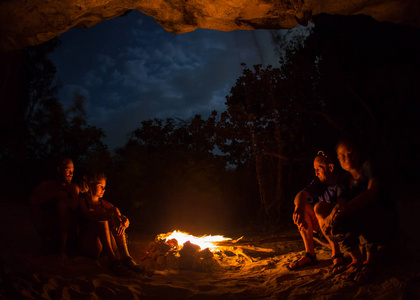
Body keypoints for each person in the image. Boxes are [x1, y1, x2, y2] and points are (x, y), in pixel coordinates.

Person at [325, 138, 398, 282]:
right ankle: (356, 259)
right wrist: (332, 216)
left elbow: (372, 193)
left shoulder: (368, 167)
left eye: (350, 154)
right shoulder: (344, 181)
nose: (347, 158)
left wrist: (343, 209)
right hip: (362, 222)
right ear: (339, 159)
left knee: (366, 207)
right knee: (337, 220)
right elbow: (341, 204)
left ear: (357, 153)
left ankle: (371, 260)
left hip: (384, 220)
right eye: (342, 156)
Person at [288, 151, 346, 273]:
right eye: (315, 170)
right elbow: (301, 195)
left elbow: (342, 206)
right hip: (323, 231)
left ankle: (337, 254)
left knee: (320, 207)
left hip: (341, 231)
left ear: (330, 167)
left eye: (318, 169)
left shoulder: (342, 181)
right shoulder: (319, 182)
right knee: (302, 205)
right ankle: (310, 254)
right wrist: (299, 209)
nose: (316, 173)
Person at [78, 172, 144, 275]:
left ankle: (125, 257)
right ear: (91, 185)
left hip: (108, 245)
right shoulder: (82, 201)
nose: (103, 190)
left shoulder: (105, 203)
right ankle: (112, 260)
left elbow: (118, 216)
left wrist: (124, 222)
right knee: (102, 213)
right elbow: (89, 215)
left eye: (104, 187)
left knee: (114, 210)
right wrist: (111, 217)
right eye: (101, 186)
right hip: (91, 246)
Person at [30, 157, 80, 260]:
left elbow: (74, 207)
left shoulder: (72, 188)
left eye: (73, 171)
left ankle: (63, 249)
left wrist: (65, 199)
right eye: (67, 169)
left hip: (70, 233)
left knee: (62, 204)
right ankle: (45, 242)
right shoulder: (47, 185)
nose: (71, 173)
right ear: (59, 169)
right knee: (34, 207)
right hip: (51, 229)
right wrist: (55, 195)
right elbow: (33, 200)